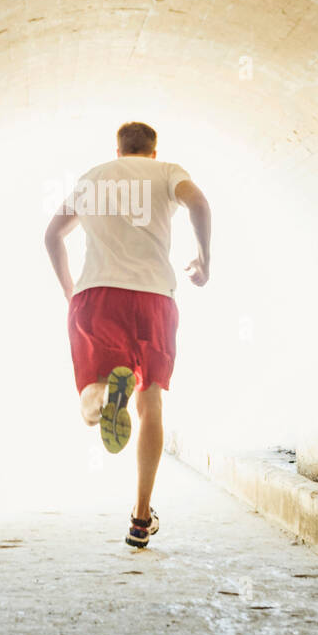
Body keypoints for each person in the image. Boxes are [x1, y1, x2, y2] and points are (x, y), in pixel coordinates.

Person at [42, 122, 211, 548]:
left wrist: (69, 287)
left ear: (117, 151)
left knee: (90, 399)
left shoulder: (93, 177)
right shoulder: (168, 171)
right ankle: (140, 517)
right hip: (154, 296)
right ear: (153, 152)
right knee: (150, 399)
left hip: (97, 295)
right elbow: (200, 204)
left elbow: (53, 235)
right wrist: (204, 258)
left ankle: (101, 397)